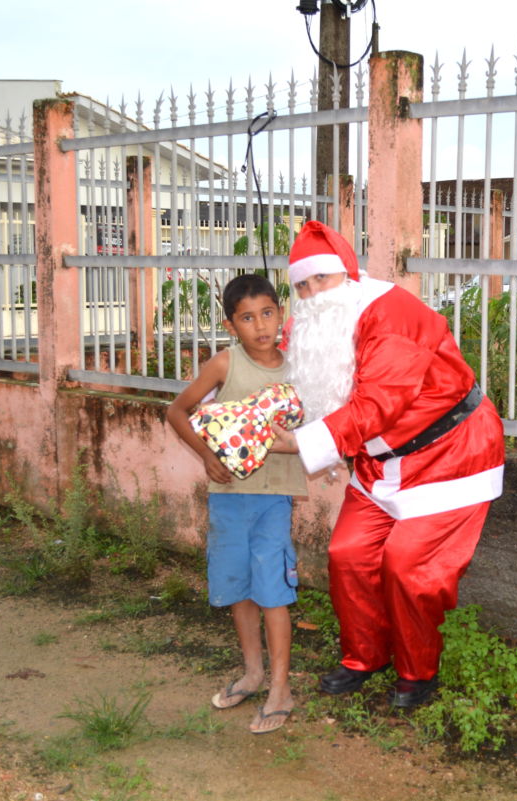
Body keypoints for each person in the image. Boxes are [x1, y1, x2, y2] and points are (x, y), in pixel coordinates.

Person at [274, 221, 505, 709]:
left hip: (450, 456)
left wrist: (301, 443)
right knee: (348, 555)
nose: (312, 293)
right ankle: (366, 656)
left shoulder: (392, 314)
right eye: (302, 285)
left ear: (348, 274)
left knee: (408, 566)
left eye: (322, 279)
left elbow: (379, 403)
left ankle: (418, 672)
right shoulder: (311, 322)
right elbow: (297, 378)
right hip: (379, 463)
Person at [166, 274, 306, 734]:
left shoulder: (300, 368)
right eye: (248, 318)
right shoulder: (225, 364)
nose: (260, 326)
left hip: (272, 500)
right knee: (240, 590)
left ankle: (280, 688)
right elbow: (176, 410)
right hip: (228, 498)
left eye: (267, 313)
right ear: (232, 325)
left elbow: (318, 430)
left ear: (280, 313)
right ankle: (253, 673)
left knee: (273, 592)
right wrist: (206, 456)